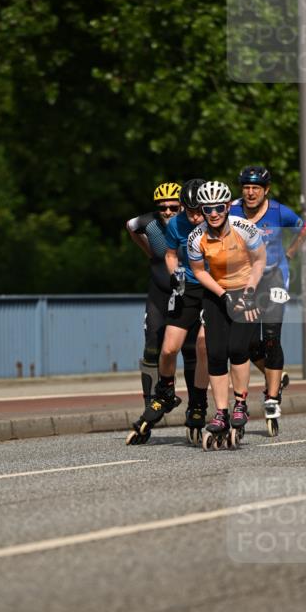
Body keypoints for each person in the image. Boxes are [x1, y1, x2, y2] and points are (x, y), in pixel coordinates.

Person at [125, 178, 209, 445]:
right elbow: (131, 226)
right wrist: (150, 253)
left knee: (192, 349)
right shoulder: (150, 223)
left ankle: (196, 406)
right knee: (153, 347)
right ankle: (154, 402)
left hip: (189, 291)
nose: (168, 212)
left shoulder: (193, 222)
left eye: (174, 207)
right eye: (163, 207)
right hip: (161, 291)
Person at [187, 180, 267, 449]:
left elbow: (260, 261)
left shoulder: (245, 228)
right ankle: (221, 411)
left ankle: (240, 404)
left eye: (219, 208)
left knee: (238, 348)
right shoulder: (196, 237)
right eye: (207, 209)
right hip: (217, 292)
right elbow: (199, 272)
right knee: (216, 353)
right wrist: (223, 295)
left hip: (248, 288)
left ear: (227, 206)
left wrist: (250, 292)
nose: (213, 214)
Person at [231, 166, 306, 434]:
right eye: (246, 187)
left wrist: (290, 254)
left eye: (256, 188)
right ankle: (276, 375)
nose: (250, 192)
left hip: (275, 277)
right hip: (246, 280)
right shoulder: (231, 210)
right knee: (248, 342)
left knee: (272, 338)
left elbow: (304, 229)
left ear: (266, 190)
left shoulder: (279, 212)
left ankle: (272, 398)